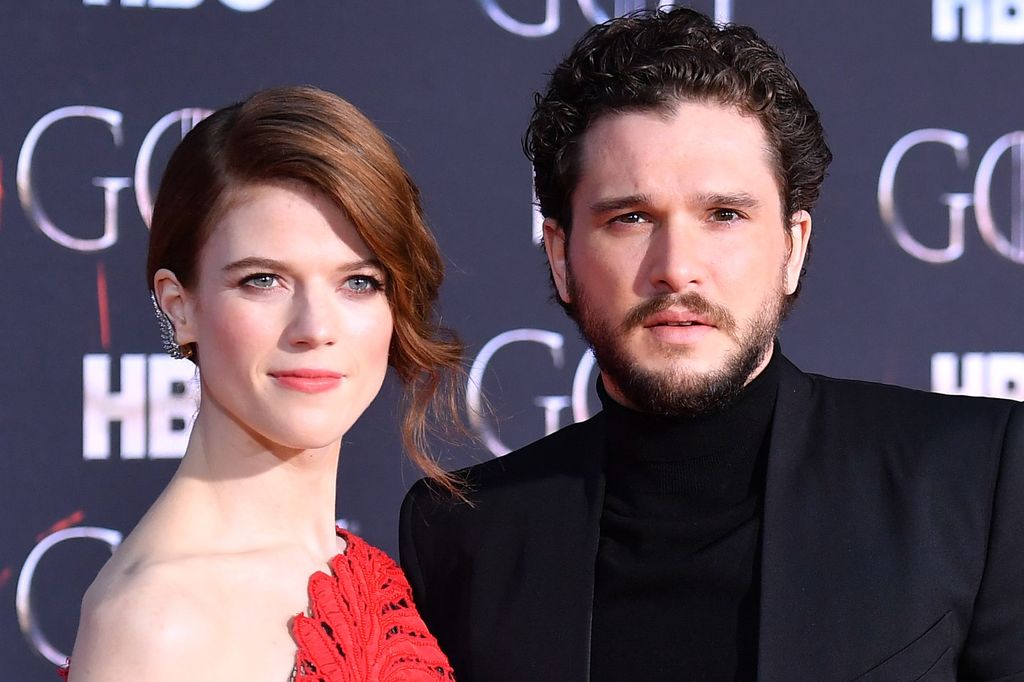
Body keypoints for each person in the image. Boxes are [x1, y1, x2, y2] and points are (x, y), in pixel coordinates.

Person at [399, 8, 1024, 682]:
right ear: (561, 256)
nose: (677, 266)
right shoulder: (463, 534)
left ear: (793, 247)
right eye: (631, 217)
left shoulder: (972, 481)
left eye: (724, 214)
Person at [65, 86, 458, 681]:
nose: (315, 328)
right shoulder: (160, 622)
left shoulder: (358, 568)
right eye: (263, 280)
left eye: (358, 283)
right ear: (180, 307)